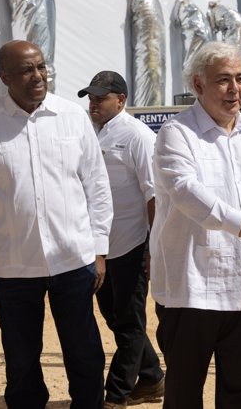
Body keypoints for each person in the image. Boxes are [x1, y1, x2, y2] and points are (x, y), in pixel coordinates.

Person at [0, 40, 113, 409]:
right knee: (22, 364)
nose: (38, 76)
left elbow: (98, 188)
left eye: (41, 67)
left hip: (73, 262)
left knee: (86, 356)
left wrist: (99, 250)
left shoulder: (73, 118)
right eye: (27, 70)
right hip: (12, 269)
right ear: (5, 76)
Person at [149, 41, 241, 409]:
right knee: (183, 393)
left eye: (240, 79)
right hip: (192, 289)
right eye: (223, 80)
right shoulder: (176, 134)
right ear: (198, 85)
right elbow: (185, 192)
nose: (234, 89)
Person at [77, 71, 164, 409]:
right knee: (114, 317)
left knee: (129, 321)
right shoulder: (90, 132)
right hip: (100, 245)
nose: (94, 102)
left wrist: (153, 247)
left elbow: (153, 195)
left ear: (121, 100)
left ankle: (115, 394)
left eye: (101, 97)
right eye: (91, 97)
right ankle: (153, 376)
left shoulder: (137, 136)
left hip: (131, 243)